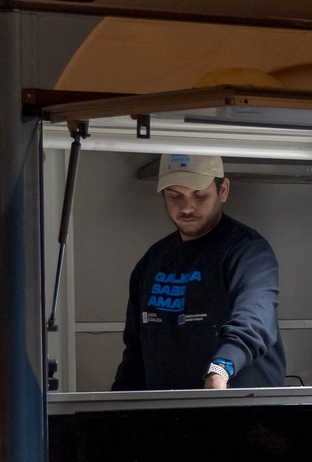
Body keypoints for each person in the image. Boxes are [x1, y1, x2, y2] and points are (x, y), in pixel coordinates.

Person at [112, 153, 285, 391]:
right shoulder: (152, 261)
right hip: (169, 419)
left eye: (199, 195)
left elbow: (254, 320)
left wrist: (220, 369)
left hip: (242, 414)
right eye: (175, 196)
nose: (186, 207)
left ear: (222, 190)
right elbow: (135, 350)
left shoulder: (248, 251)